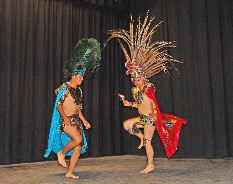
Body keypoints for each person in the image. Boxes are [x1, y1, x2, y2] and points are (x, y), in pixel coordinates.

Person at [106, 12, 187, 173]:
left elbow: (151, 102)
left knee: (149, 142)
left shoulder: (148, 88)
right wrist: (129, 103)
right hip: (142, 118)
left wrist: (156, 118)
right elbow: (139, 104)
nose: (136, 81)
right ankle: (141, 137)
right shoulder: (136, 90)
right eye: (134, 79)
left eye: (138, 78)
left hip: (150, 119)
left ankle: (150, 164)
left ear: (143, 77)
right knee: (127, 125)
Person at [44, 38, 101, 179]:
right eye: (81, 76)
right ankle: (61, 153)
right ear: (74, 75)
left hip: (77, 121)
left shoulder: (79, 91)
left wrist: (85, 121)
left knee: (78, 146)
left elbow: (78, 109)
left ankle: (70, 172)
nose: (82, 79)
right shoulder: (64, 89)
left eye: (83, 77)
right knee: (77, 139)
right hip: (66, 121)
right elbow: (58, 104)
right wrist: (64, 118)